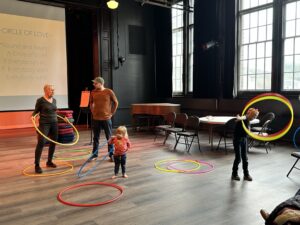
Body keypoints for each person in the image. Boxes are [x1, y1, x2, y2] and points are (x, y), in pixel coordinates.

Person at [90, 77, 119, 161]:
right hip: (96, 118)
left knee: (109, 137)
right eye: (94, 83)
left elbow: (116, 102)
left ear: (101, 83)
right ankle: (94, 155)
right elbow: (91, 102)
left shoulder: (109, 91)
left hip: (106, 118)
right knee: (96, 137)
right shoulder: (93, 92)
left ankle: (111, 154)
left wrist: (111, 113)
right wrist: (92, 111)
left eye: (95, 83)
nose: (94, 84)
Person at [32, 84, 58, 174]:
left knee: (53, 142)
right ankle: (37, 165)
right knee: (41, 143)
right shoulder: (40, 100)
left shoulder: (54, 100)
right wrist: (33, 117)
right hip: (44, 124)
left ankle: (49, 161)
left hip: (54, 123)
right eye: (51, 90)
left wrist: (64, 118)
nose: (53, 91)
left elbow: (54, 112)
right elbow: (35, 112)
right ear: (46, 90)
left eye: (53, 90)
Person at [231, 107, 259, 181]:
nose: (254, 118)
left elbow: (247, 131)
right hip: (237, 140)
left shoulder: (248, 120)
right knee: (238, 158)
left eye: (255, 117)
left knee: (245, 158)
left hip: (244, 140)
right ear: (249, 114)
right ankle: (234, 174)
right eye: (253, 116)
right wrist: (239, 118)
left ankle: (246, 175)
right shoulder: (243, 119)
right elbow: (241, 118)